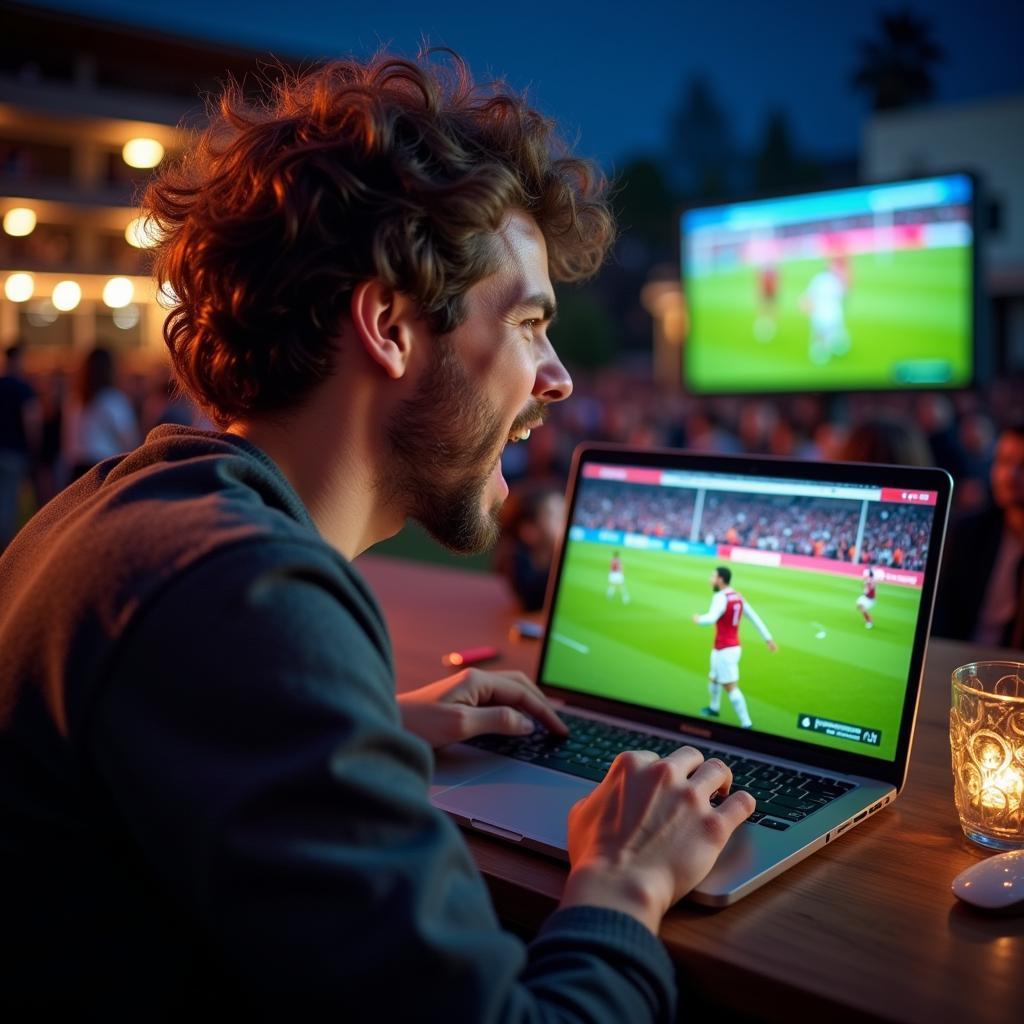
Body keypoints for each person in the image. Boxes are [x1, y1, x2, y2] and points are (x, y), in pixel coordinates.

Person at [0, 54, 755, 1015]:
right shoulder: (247, 597)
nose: (557, 378)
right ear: (390, 326)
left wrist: (359, 728)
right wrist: (624, 884)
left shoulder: (124, 503)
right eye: (528, 323)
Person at [933, 419, 1024, 647]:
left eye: (1023, 466)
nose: (1010, 475)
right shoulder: (968, 532)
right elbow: (944, 613)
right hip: (961, 662)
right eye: (1003, 462)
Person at [692, 566, 778, 728]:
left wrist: (698, 619)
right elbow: (754, 617)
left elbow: (710, 619)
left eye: (713, 576)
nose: (710, 579)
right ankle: (714, 708)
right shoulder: (738, 596)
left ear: (721, 580)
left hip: (726, 650)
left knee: (731, 687)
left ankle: (746, 723)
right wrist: (768, 639)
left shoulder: (720, 597)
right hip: (725, 648)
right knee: (713, 677)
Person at [63, 345, 140, 480]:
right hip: (104, 467)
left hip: (76, 467)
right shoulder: (113, 400)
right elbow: (128, 440)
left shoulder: (75, 400)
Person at [495, 480, 565, 611]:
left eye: (564, 512)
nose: (565, 522)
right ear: (529, 532)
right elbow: (532, 601)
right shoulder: (522, 571)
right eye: (554, 516)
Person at [0, 342, 40, 548]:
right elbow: (31, 421)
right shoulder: (23, 388)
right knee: (8, 503)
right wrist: (34, 448)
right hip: (15, 452)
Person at [800, 255, 850, 365]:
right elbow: (843, 295)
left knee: (821, 335)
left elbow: (808, 297)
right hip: (831, 314)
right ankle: (829, 350)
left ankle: (821, 353)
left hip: (820, 314)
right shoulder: (834, 280)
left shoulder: (818, 279)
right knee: (830, 334)